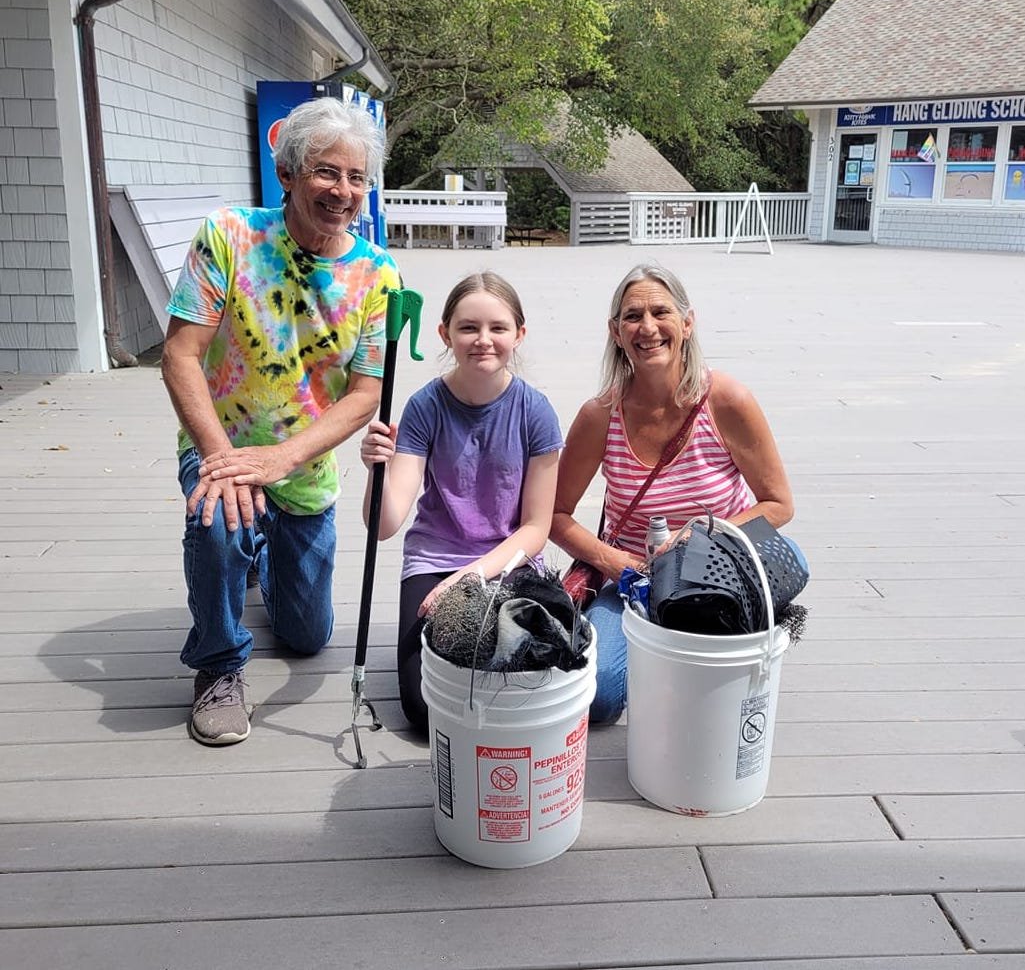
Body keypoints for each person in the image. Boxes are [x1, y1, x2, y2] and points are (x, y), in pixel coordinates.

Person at [161, 97, 400, 746]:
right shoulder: (228, 235)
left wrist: (282, 460)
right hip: (224, 443)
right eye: (326, 172)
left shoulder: (378, 276)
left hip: (303, 468)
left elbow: (365, 392)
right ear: (288, 173)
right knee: (216, 517)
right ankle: (216, 664)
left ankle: (259, 552)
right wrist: (221, 457)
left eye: (356, 178)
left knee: (305, 636)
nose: (342, 191)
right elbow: (180, 354)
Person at [550, 263, 794, 723]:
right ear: (615, 332)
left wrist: (700, 533)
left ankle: (665, 667)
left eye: (661, 312)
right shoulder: (601, 414)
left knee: (712, 693)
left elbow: (779, 504)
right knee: (598, 701)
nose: (647, 328)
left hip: (717, 573)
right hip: (636, 578)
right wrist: (611, 560)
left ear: (687, 322)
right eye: (632, 317)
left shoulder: (726, 400)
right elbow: (556, 514)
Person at [359, 271, 563, 735]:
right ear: (445, 333)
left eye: (498, 328)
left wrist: (467, 581)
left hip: (509, 562)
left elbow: (535, 528)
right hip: (434, 560)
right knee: (423, 706)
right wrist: (377, 470)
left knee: (523, 678)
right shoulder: (424, 407)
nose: (483, 340)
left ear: (519, 334)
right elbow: (385, 523)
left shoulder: (536, 412)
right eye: (468, 327)